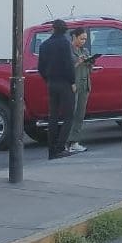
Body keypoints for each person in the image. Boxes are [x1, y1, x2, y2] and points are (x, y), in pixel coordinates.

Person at [37, 19, 75, 160]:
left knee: (52, 116)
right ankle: (60, 147)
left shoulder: (44, 45)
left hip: (51, 82)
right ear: (64, 30)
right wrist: (72, 81)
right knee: (68, 116)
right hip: (64, 82)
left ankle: (51, 149)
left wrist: (47, 79)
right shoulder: (65, 43)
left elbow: (40, 67)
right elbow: (68, 65)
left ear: (53, 29)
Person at [65, 27, 93, 154]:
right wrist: (78, 61)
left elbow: (89, 69)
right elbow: (67, 68)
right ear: (74, 37)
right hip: (74, 85)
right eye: (81, 39)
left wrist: (90, 62)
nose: (83, 41)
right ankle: (67, 141)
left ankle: (75, 141)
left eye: (85, 39)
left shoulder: (85, 50)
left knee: (80, 114)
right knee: (72, 113)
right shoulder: (68, 50)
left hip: (84, 84)